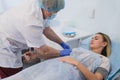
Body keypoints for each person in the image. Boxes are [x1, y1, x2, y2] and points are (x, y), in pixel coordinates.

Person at [0, 0, 71, 79]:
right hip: (4, 46)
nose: (54, 14)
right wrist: (61, 52)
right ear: (46, 7)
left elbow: (47, 30)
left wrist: (62, 43)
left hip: (10, 39)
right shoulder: (30, 20)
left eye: (57, 11)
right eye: (54, 11)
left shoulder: (40, 7)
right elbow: (43, 51)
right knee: (14, 74)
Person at [1, 32, 111, 80]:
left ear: (104, 44)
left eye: (96, 38)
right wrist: (36, 55)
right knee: (21, 76)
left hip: (65, 74)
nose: (92, 39)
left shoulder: (104, 60)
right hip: (49, 66)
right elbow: (57, 55)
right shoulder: (79, 49)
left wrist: (76, 62)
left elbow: (96, 79)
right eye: (92, 37)